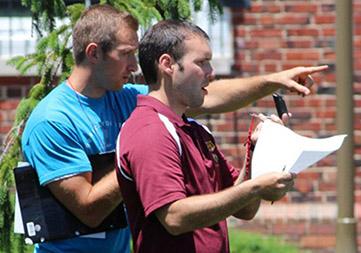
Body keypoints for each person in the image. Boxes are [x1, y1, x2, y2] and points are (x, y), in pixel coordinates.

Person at [21, 4, 327, 253]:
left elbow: (207, 97)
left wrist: (274, 82)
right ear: (93, 53)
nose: (136, 64)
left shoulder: (125, 98)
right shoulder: (53, 120)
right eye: (126, 53)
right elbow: (88, 210)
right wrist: (138, 157)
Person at [116, 20, 297, 253]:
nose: (211, 73)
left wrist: (259, 149)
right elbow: (174, 217)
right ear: (167, 64)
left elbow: (244, 209)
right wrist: (255, 187)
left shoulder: (195, 131)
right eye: (202, 63)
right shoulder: (149, 130)